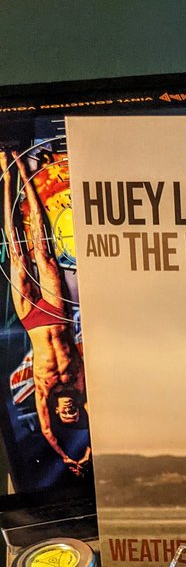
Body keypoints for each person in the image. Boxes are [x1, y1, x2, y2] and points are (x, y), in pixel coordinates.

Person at [1, 148, 90, 477]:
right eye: (73, 414)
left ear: (56, 411)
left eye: (65, 415)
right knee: (42, 248)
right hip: (55, 309)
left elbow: (48, 431)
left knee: (17, 251)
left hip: (32, 318)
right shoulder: (79, 383)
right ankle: (24, 171)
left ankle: (8, 175)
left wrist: (65, 456)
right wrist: (88, 452)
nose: (69, 411)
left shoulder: (43, 388)